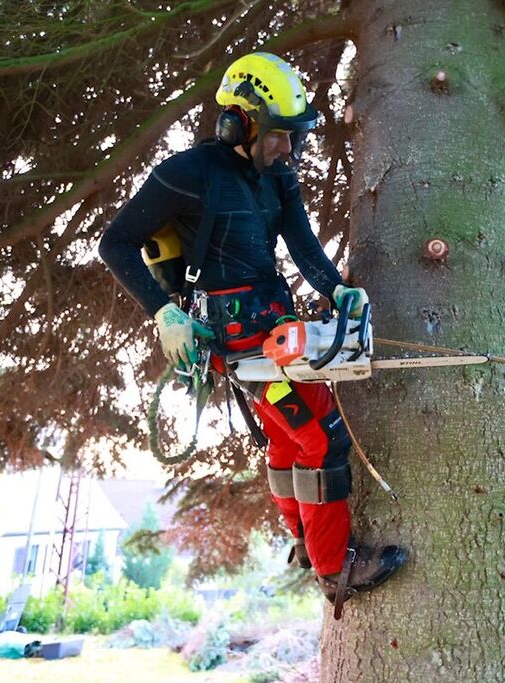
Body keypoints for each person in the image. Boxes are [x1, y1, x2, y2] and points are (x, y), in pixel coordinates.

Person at [99, 52, 405, 613]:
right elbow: (114, 242)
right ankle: (334, 568)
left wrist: (337, 289)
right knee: (323, 438)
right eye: (279, 135)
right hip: (236, 341)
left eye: (294, 136)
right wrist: (163, 313)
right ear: (238, 123)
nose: (288, 148)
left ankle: (307, 541)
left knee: (291, 440)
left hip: (274, 329)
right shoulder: (188, 173)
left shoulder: (278, 177)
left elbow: (302, 242)